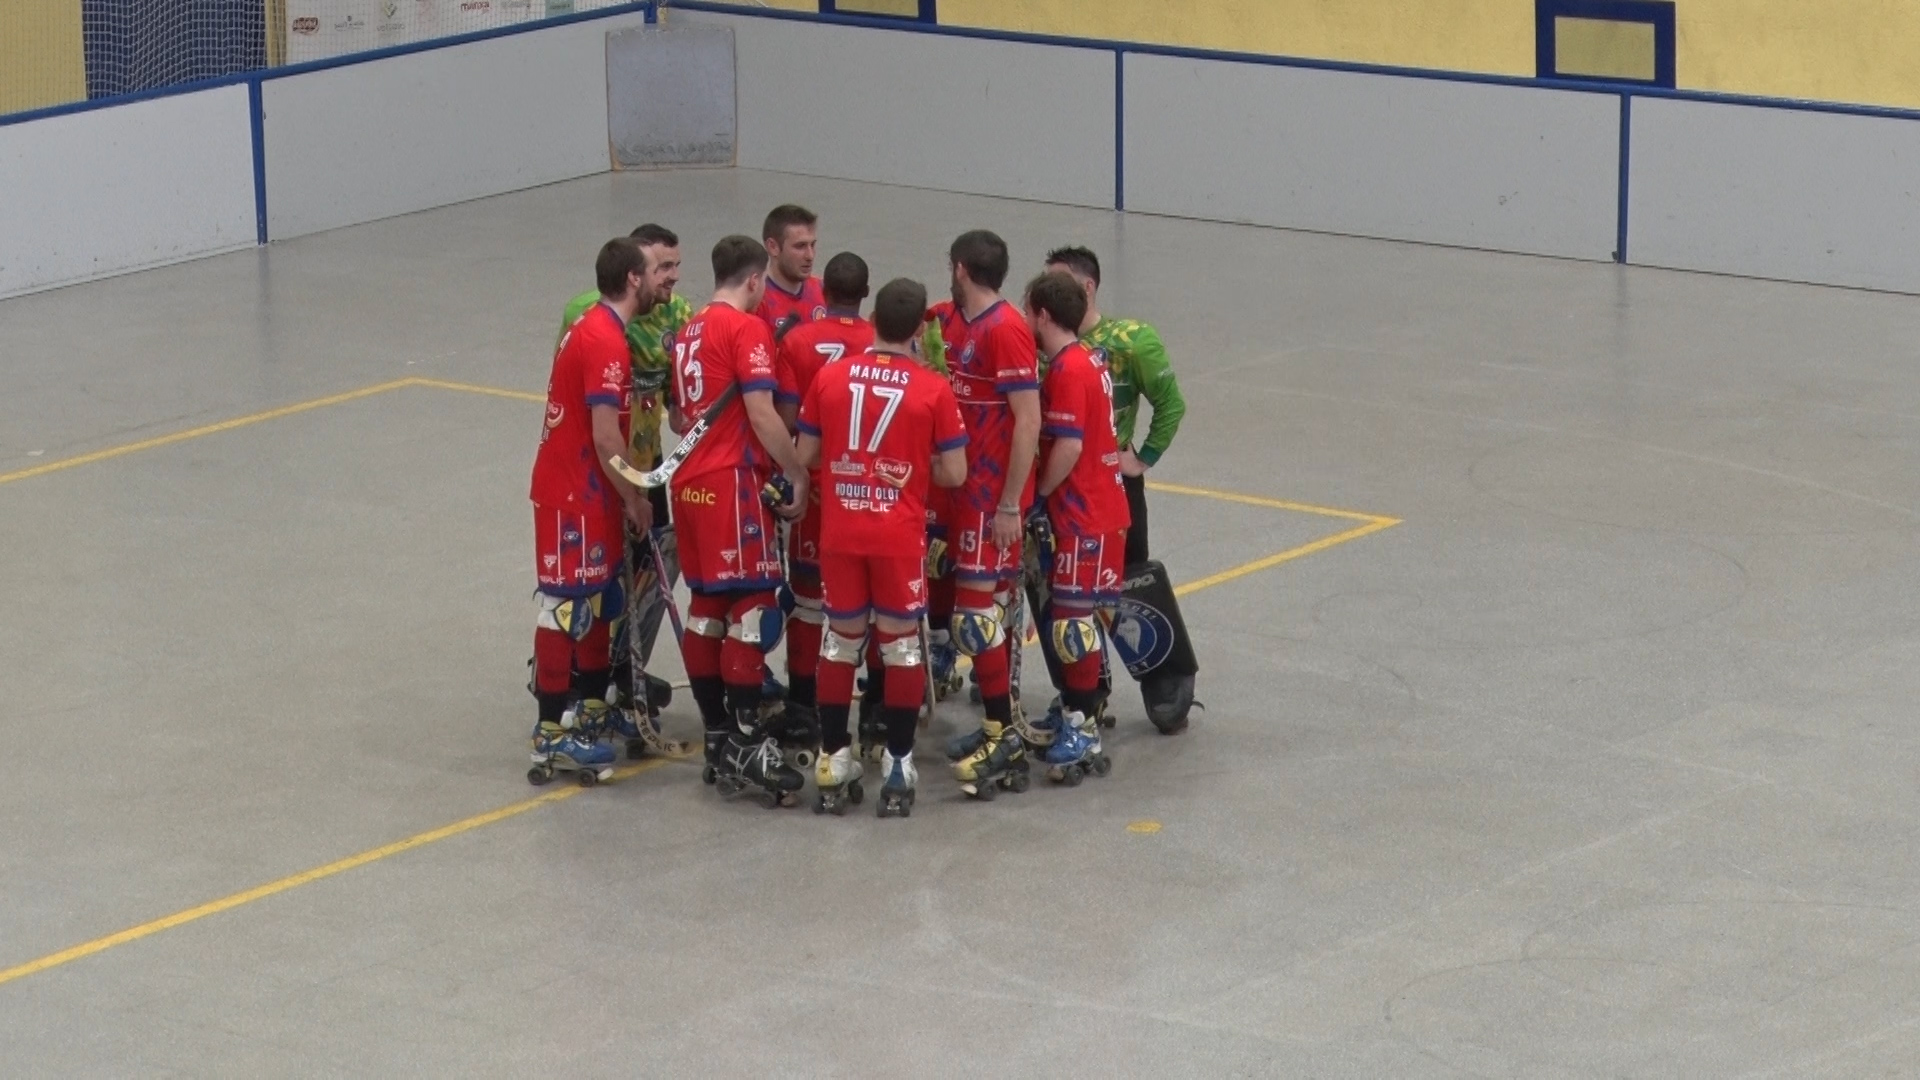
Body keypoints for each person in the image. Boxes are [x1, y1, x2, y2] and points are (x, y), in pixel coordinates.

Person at [795, 278, 968, 818]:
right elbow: (955, 472)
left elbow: (806, 452)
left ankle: (832, 759)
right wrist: (913, 463)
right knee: (901, 649)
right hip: (897, 536)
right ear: (918, 329)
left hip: (840, 532)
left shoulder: (830, 376)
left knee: (839, 643)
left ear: (872, 320)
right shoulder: (932, 389)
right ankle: (897, 763)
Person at [669, 236, 812, 804]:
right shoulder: (746, 328)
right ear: (755, 280)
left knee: (707, 611)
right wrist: (796, 470)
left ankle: (718, 736)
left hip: (689, 484)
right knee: (754, 610)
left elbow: (680, 418)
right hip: (730, 483)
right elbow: (760, 412)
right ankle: (749, 742)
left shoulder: (688, 331)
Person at [1042, 246, 1198, 733]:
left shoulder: (1131, 340)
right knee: (1058, 591)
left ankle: (1166, 678)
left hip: (1111, 484)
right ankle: (1084, 692)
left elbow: (1171, 403)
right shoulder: (1043, 342)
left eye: (1058, 284)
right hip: (1059, 486)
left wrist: (1142, 458)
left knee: (1129, 582)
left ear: (1087, 288)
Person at [526, 237, 657, 786]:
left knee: (601, 602)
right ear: (633, 279)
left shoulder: (600, 329)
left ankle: (590, 709)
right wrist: (635, 497)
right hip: (572, 496)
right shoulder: (604, 339)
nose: (662, 282)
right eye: (654, 271)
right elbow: (605, 437)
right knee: (564, 608)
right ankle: (549, 732)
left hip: (591, 493)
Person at [557, 224, 689, 755]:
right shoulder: (589, 316)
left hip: (646, 468)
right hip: (603, 474)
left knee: (655, 570)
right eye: (662, 267)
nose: (672, 277)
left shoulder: (679, 316)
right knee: (592, 579)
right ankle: (575, 679)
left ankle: (626, 671)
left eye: (676, 266)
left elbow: (680, 404)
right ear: (635, 274)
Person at [929, 230, 1043, 800]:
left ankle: (1004, 738)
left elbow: (1029, 421)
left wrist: (1008, 504)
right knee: (979, 613)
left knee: (974, 619)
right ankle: (1001, 725)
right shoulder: (947, 319)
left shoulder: (1005, 330)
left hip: (988, 499)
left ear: (960, 269)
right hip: (958, 492)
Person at [766, 252, 876, 764]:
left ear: (822, 292)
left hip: (816, 488)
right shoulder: (881, 341)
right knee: (875, 600)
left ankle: (802, 705)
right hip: (871, 489)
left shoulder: (797, 341)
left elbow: (788, 418)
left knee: (808, 599)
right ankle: (877, 707)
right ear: (865, 294)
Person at [1022, 271, 1128, 784]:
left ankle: (1083, 728)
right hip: (1094, 509)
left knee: (1072, 623)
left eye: (1028, 311)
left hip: (1086, 514)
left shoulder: (1066, 369)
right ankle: (1074, 709)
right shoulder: (1088, 359)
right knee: (1072, 618)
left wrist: (1038, 495)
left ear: (1043, 315)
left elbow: (1069, 445)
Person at [757, 204, 824, 336]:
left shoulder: (825, 291)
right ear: (773, 247)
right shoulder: (757, 302)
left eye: (812, 245)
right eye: (800, 246)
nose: (810, 256)